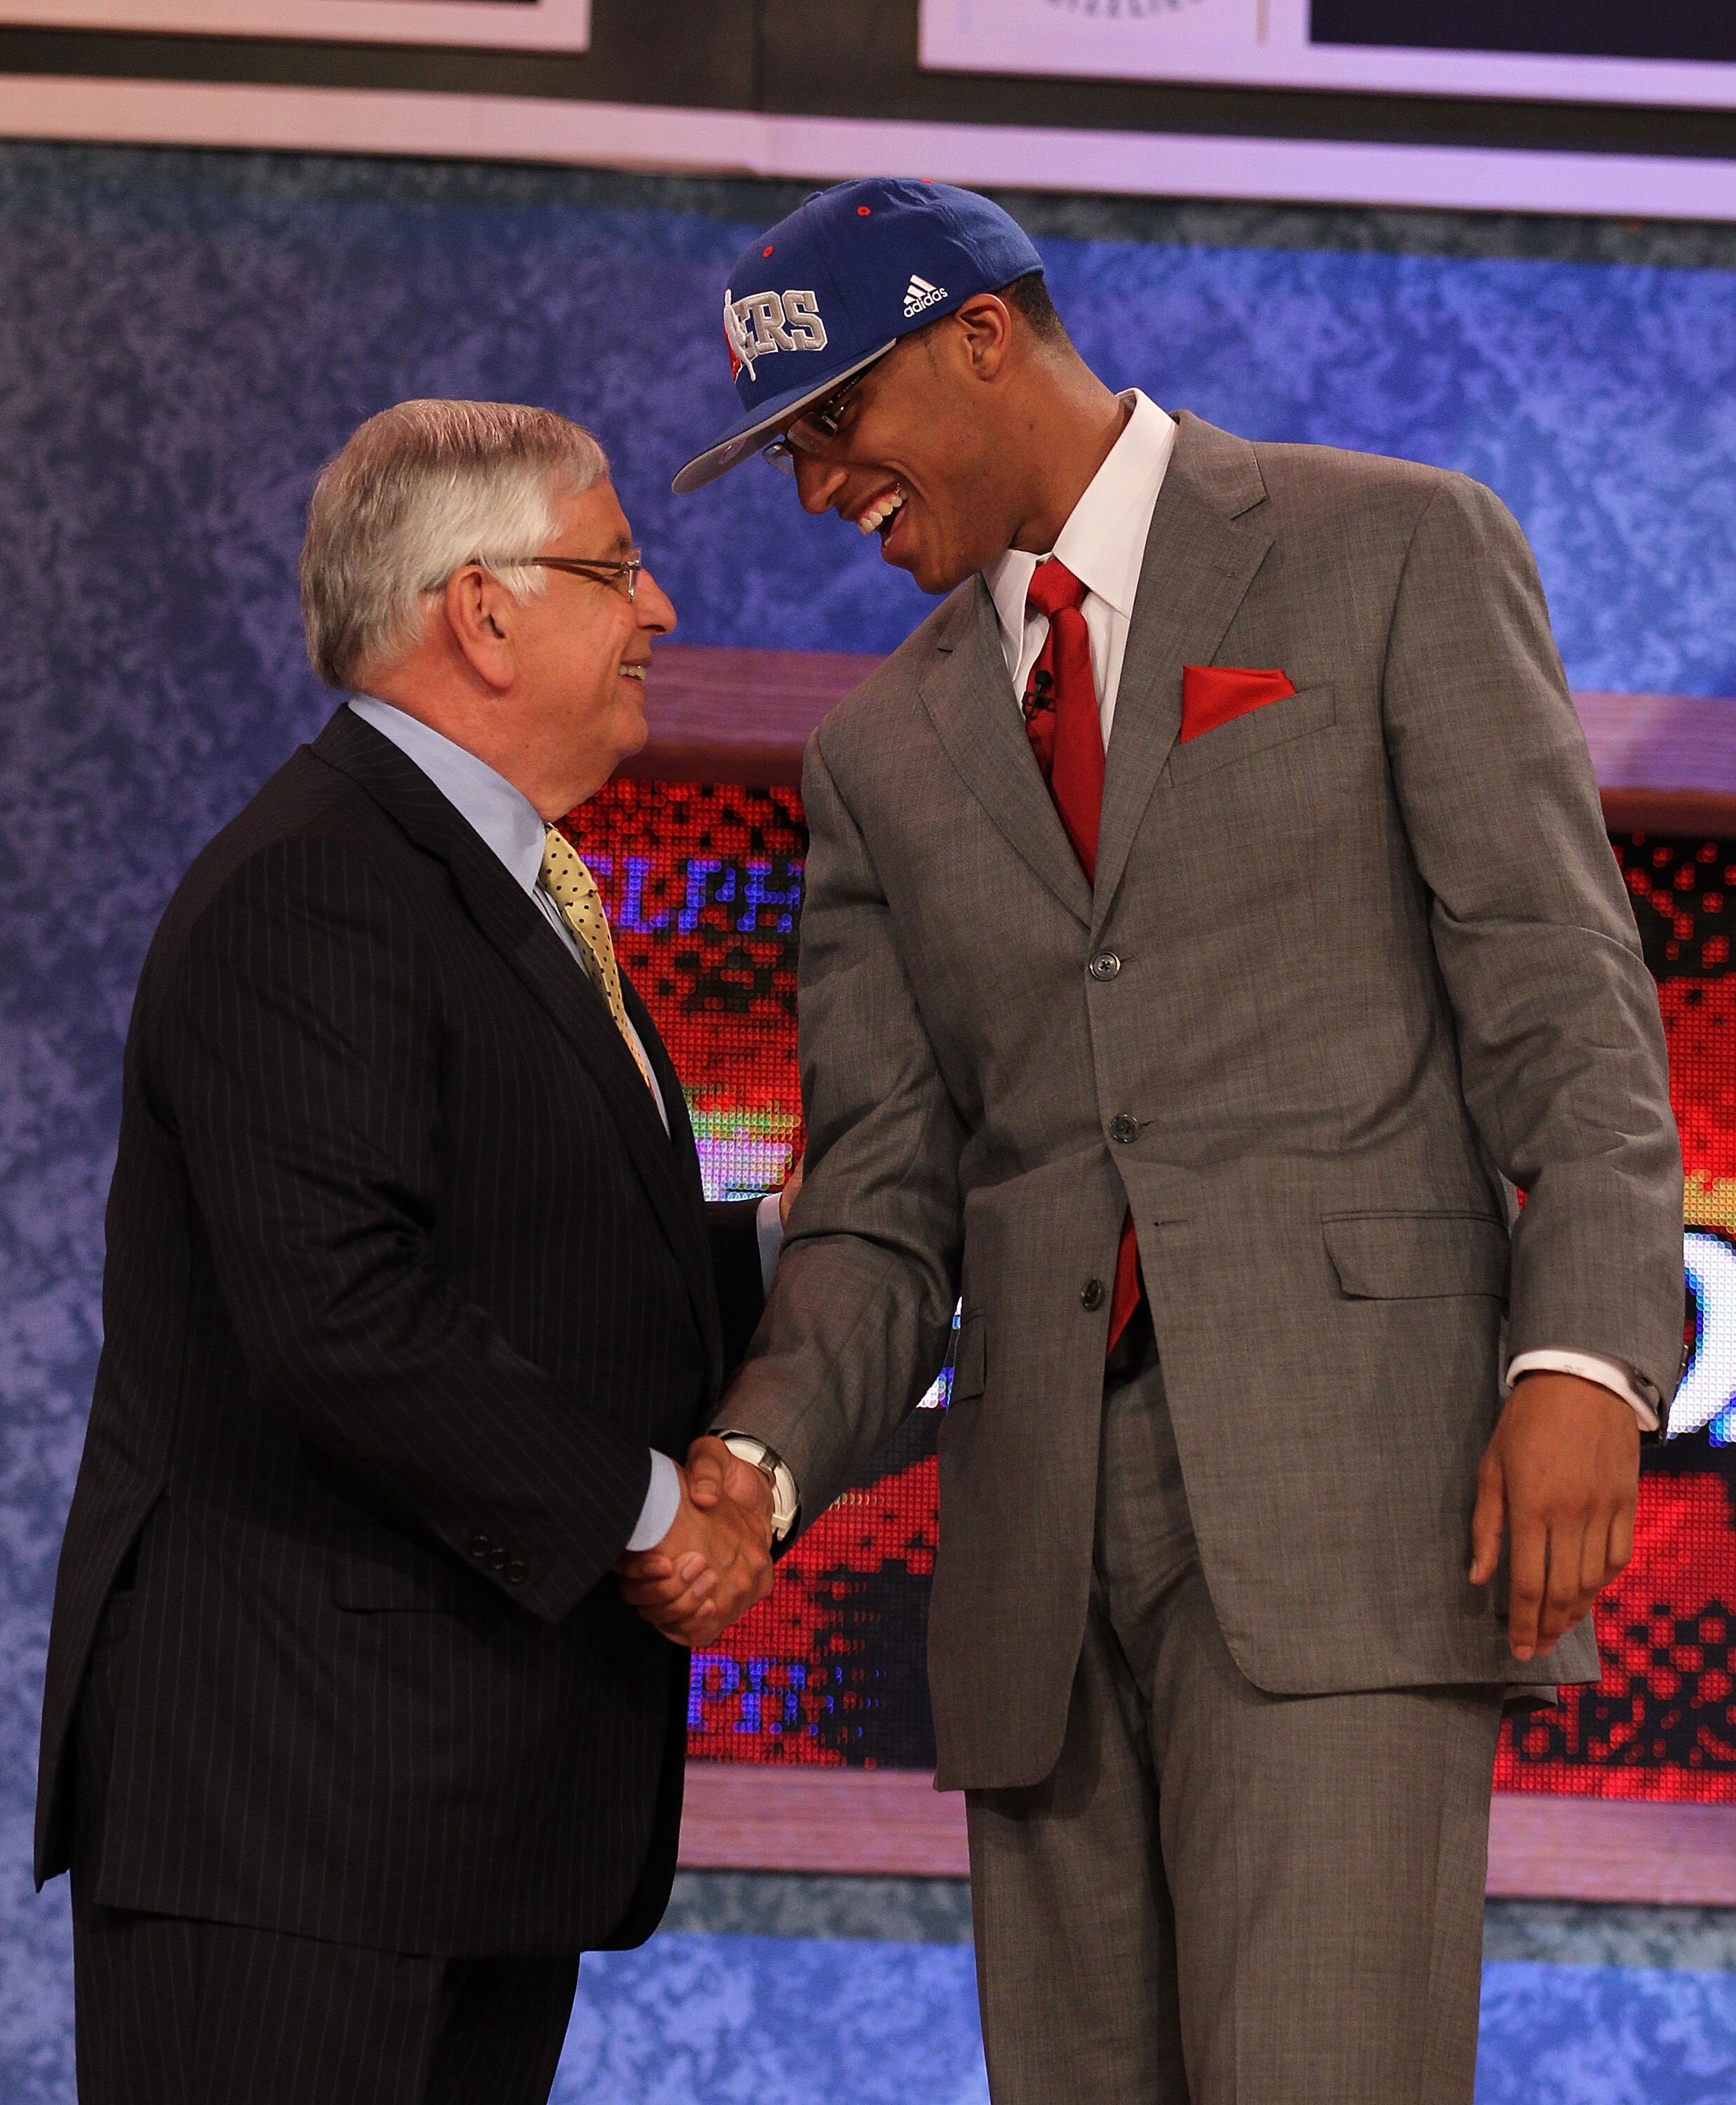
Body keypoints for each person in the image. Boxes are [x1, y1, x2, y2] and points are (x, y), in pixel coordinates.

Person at [630, 180, 1687, 2101]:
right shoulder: (878, 756)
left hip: (1353, 1511)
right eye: (787, 455)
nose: (814, 493)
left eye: (830, 426)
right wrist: (758, 1461)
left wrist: (1589, 1352)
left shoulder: (1389, 551)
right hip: (1037, 1576)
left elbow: (1564, 993)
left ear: (977, 335)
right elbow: (879, 1212)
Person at [34, 399, 780, 2105]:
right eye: (617, 567)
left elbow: (570, 1276)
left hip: (459, 1813)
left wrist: (846, 1254)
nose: (659, 610)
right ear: (484, 610)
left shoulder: (492, 882)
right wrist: (661, 1516)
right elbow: (346, 1321)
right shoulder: (318, 886)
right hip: (293, 1819)